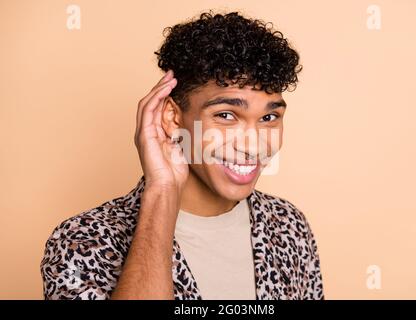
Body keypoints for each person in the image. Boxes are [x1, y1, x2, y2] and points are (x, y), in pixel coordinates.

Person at [40, 10, 324, 300]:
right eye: (226, 115)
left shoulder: (289, 225)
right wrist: (162, 188)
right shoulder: (83, 240)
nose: (254, 146)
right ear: (172, 117)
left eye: (269, 117)